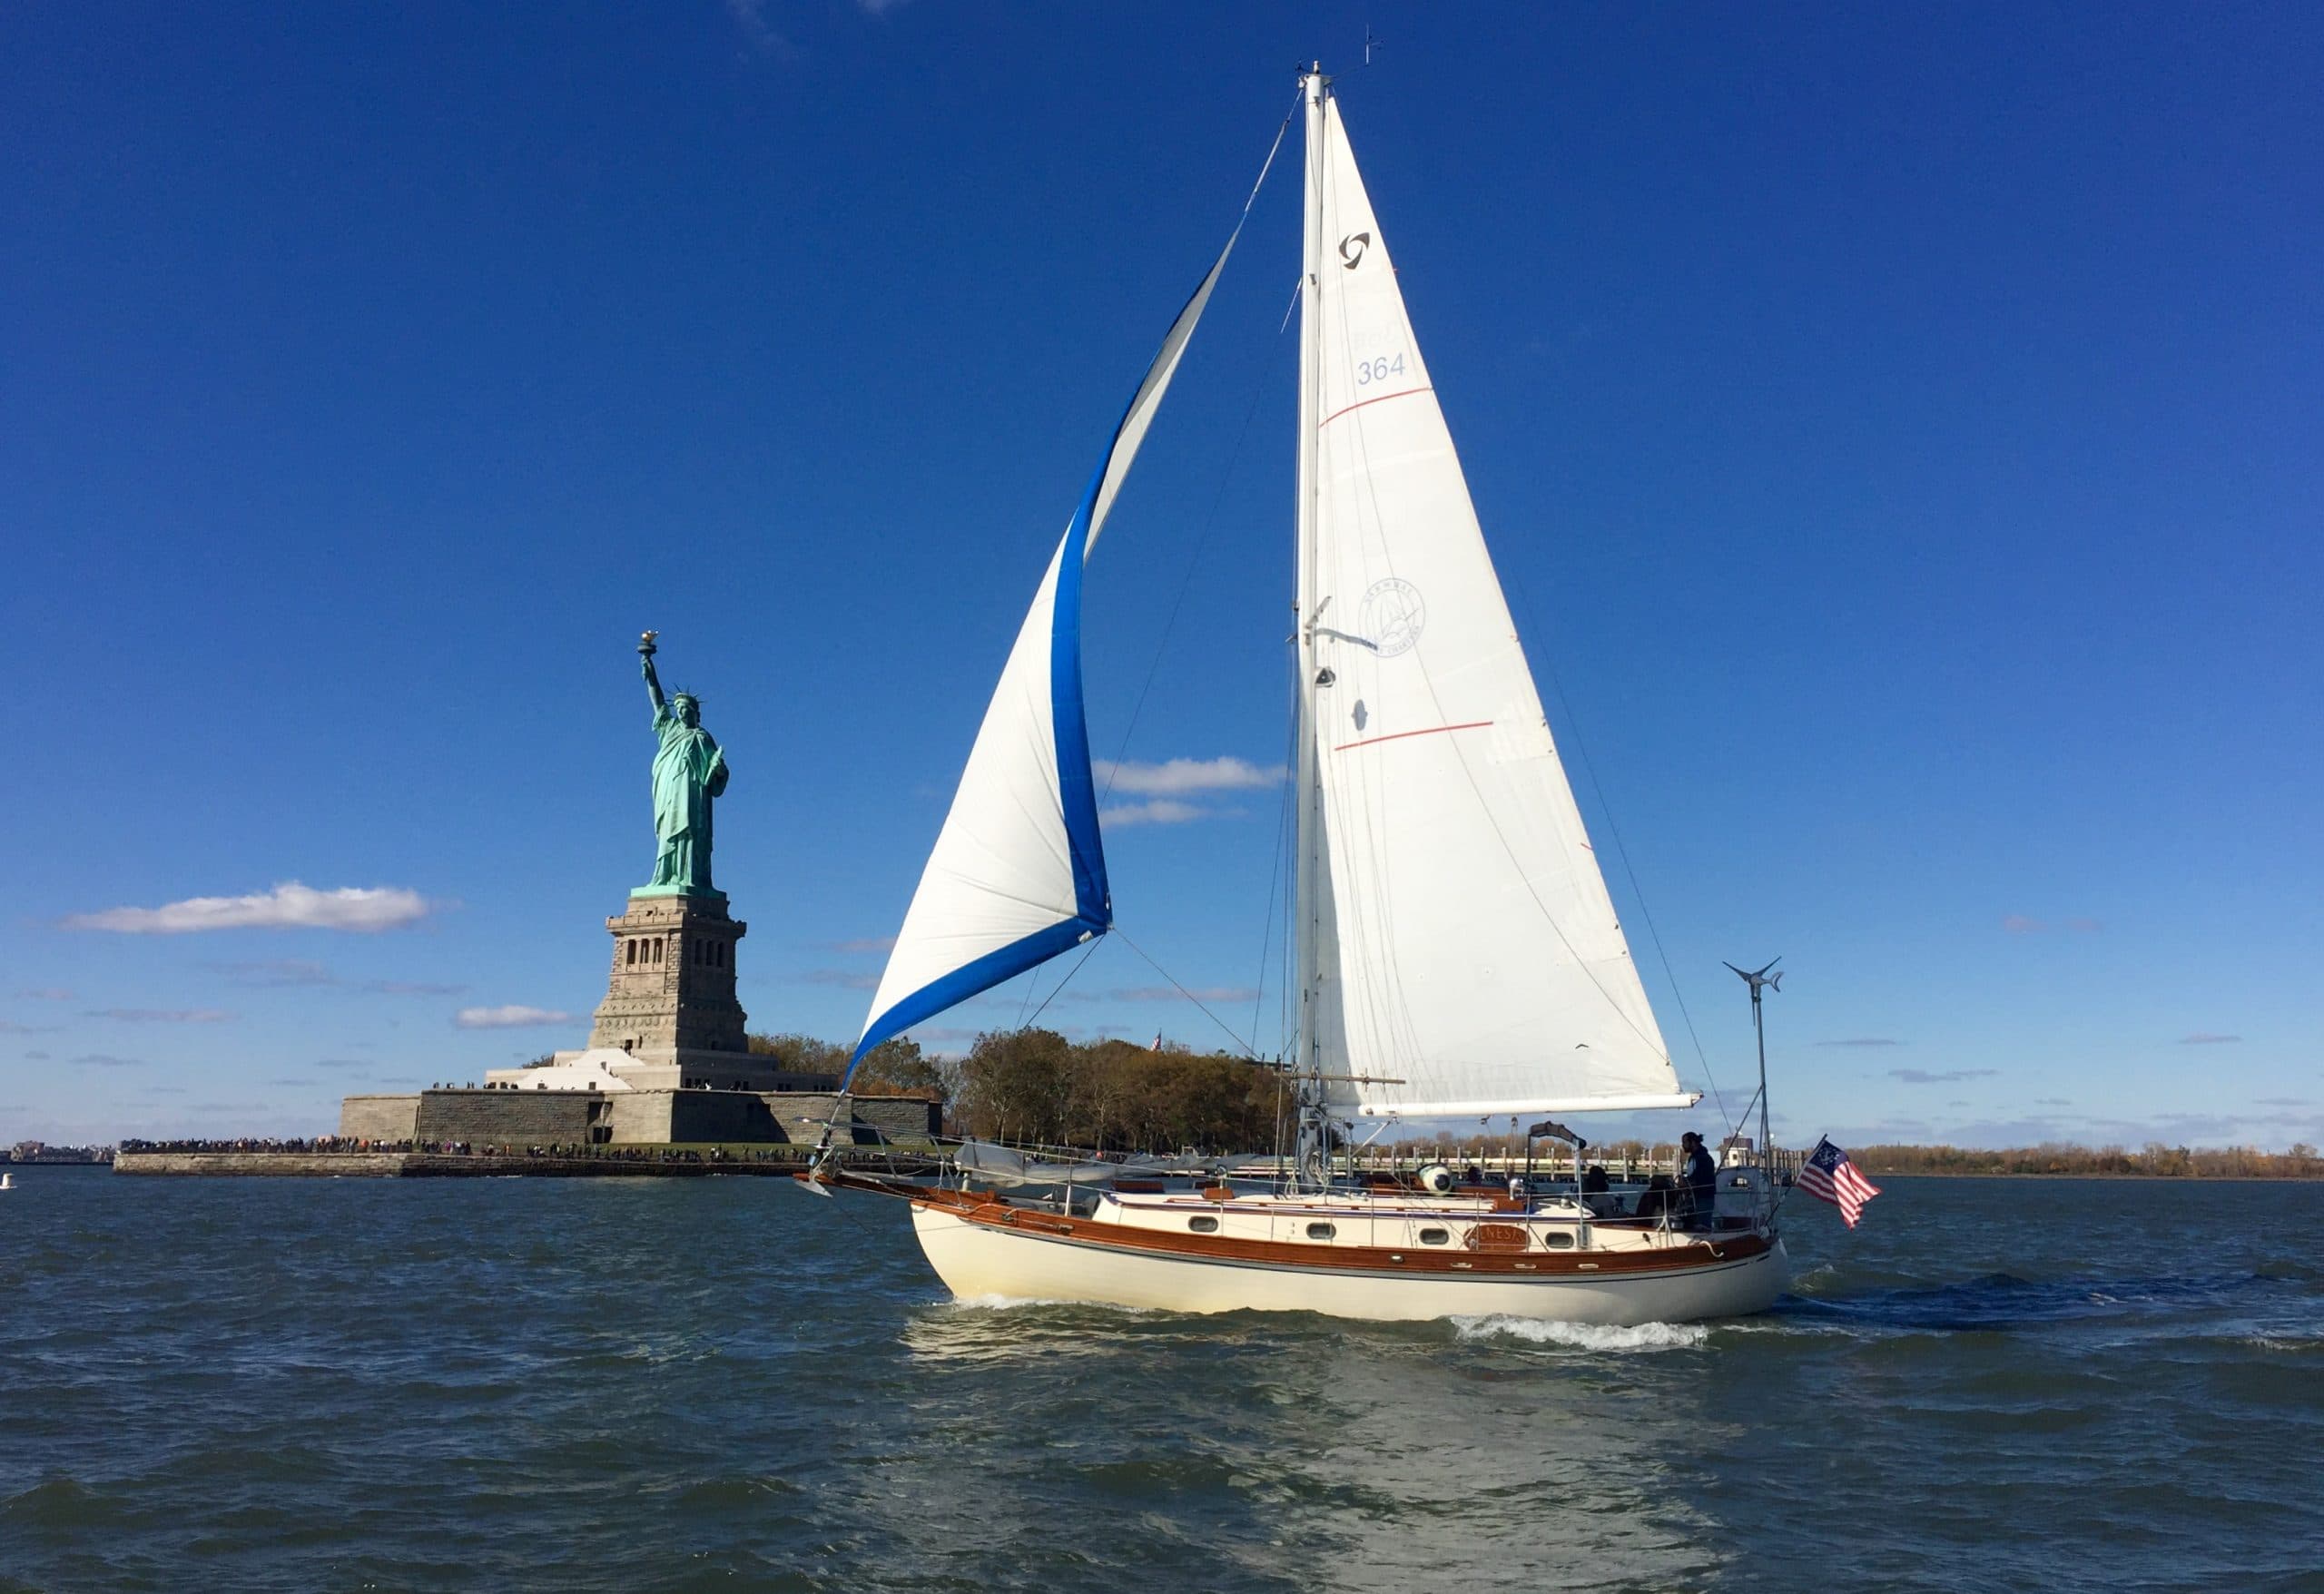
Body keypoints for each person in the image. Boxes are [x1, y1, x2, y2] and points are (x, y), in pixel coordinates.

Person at [1679, 1130, 1718, 1229]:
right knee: (1701, 1223)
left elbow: (1700, 1179)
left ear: (1693, 1142)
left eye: (1685, 1142)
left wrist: (1685, 1183)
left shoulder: (1700, 1158)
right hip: (1703, 1196)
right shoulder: (1704, 1157)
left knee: (1702, 1225)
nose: (1683, 1145)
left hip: (1702, 1197)